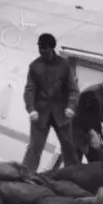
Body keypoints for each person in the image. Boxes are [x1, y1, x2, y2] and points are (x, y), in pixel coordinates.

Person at [22, 33, 79, 171]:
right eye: (40, 48)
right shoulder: (34, 66)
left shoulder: (64, 65)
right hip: (40, 113)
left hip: (61, 112)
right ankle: (26, 175)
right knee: (35, 147)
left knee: (69, 146)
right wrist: (31, 109)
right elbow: (30, 89)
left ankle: (73, 174)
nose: (41, 51)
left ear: (51, 48)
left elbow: (73, 89)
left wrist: (71, 107)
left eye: (44, 49)